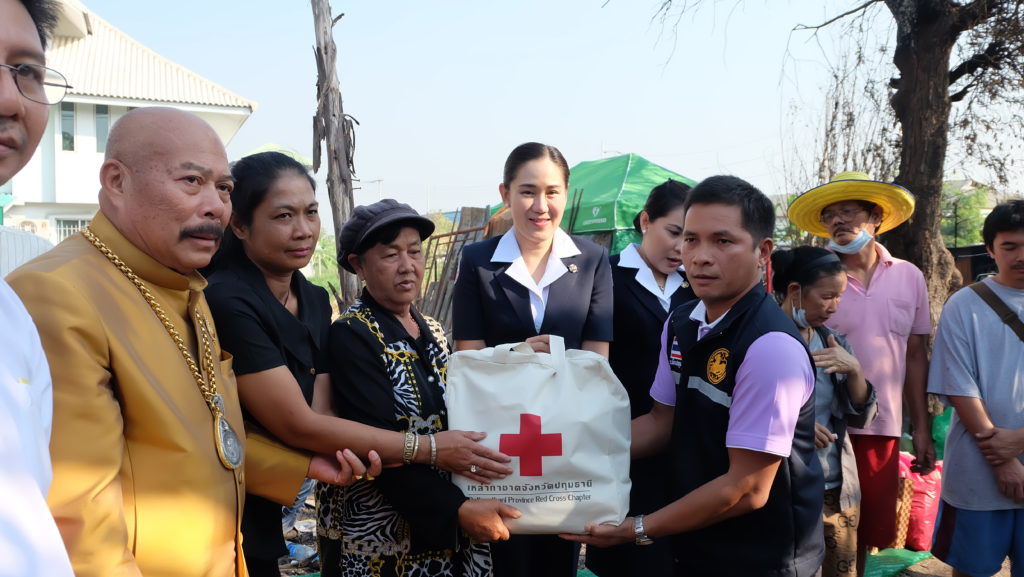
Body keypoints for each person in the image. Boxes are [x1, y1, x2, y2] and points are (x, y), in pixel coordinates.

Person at [6, 107, 371, 577]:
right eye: (192, 182)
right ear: (116, 181)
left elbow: (198, 440)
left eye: (224, 188)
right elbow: (82, 524)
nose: (216, 205)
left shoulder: (187, 289)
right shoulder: (57, 293)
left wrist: (297, 467)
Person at [204, 153, 511, 575]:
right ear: (239, 225)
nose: (303, 229)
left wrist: (517, 359)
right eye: (283, 216)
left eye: (311, 212)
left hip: (286, 491)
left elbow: (323, 412)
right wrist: (430, 450)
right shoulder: (234, 301)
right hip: (229, 492)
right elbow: (299, 423)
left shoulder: (313, 299)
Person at [564, 175, 823, 577]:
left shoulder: (770, 348)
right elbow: (660, 423)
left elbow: (748, 489)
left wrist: (637, 529)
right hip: (696, 544)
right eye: (690, 239)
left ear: (762, 252)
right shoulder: (682, 322)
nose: (700, 257)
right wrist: (569, 453)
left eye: (722, 241)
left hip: (761, 557)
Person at [319, 199, 520, 576]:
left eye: (414, 251)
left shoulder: (434, 330)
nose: (407, 265)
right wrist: (457, 509)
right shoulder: (352, 335)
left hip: (443, 529)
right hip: (382, 539)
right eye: (390, 254)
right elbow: (377, 446)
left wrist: (520, 357)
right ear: (359, 265)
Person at [452, 142, 614, 577]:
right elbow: (468, 359)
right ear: (505, 194)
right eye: (527, 191)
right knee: (506, 552)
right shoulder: (477, 261)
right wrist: (520, 355)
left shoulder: (593, 260)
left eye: (552, 192)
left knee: (559, 555)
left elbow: (597, 363)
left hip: (567, 438)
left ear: (566, 194)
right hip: (500, 439)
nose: (540, 206)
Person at [788, 171, 934, 563]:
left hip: (882, 426)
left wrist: (921, 428)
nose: (838, 220)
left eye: (848, 211)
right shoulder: (811, 279)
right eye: (829, 215)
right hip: (822, 427)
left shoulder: (909, 276)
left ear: (876, 218)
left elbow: (915, 355)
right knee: (814, 531)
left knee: (867, 531)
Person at [586, 179, 695, 577]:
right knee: (627, 557)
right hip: (621, 443)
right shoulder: (604, 276)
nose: (681, 248)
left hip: (685, 449)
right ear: (646, 221)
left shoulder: (696, 288)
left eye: (691, 238)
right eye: (674, 232)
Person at [0, 1, 73, 574]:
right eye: (191, 180)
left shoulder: (11, 313)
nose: (10, 99)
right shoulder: (52, 289)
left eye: (27, 71)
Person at [928, 200, 1024, 577]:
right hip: (977, 472)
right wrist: (1003, 459)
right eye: (1009, 246)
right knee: (972, 569)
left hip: (993, 453)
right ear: (990, 249)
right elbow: (959, 386)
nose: (1020, 256)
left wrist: (1018, 441)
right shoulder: (964, 305)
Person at [772, 246, 877, 577]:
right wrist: (795, 426)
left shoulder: (834, 342)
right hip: (782, 487)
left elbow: (861, 416)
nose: (834, 306)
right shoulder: (765, 339)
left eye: (839, 297)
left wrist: (855, 370)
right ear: (795, 291)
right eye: (827, 296)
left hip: (834, 485)